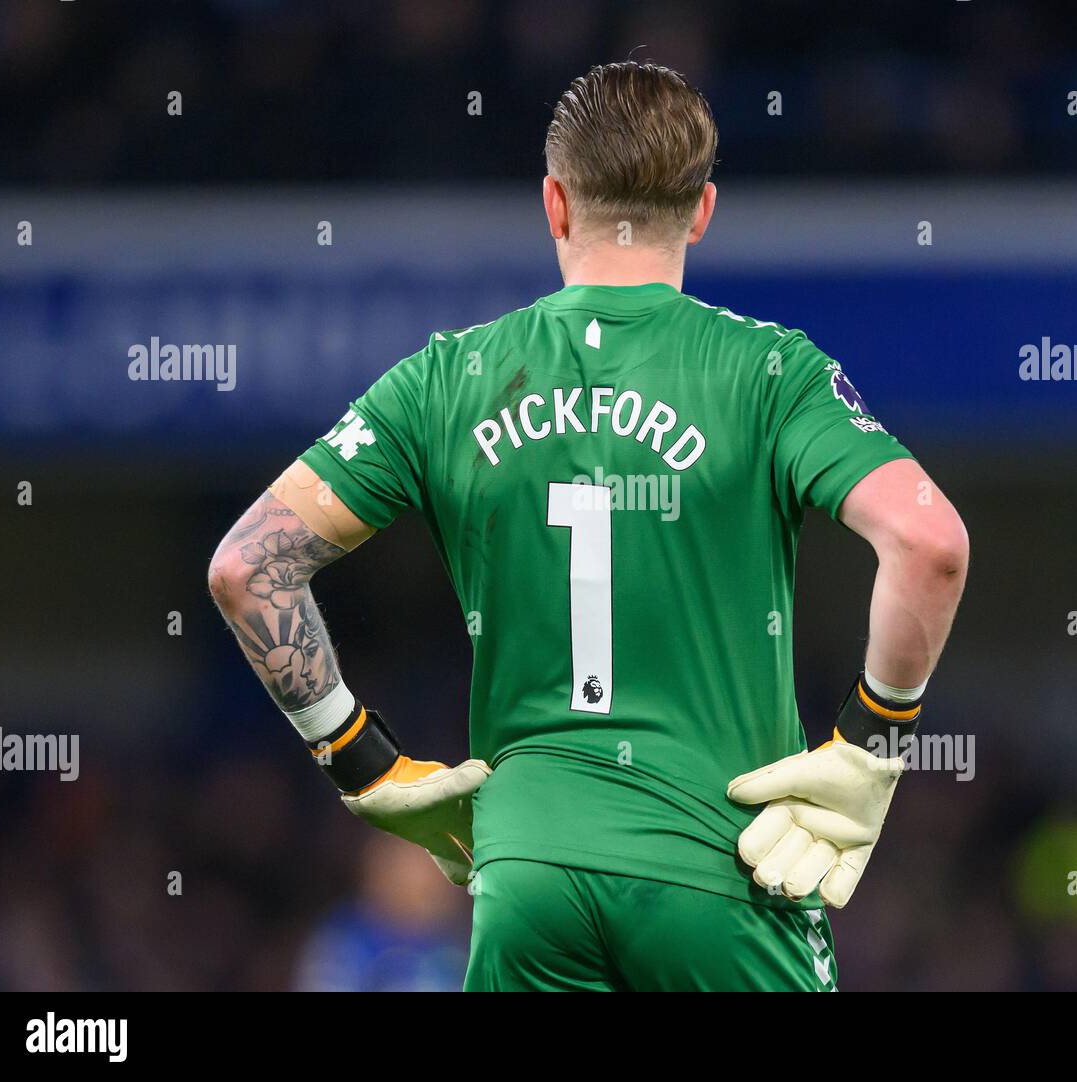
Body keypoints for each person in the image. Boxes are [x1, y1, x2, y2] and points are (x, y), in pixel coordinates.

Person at [208, 61, 969, 992]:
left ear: (555, 204)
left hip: (526, 873)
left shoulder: (446, 379)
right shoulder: (771, 373)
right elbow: (932, 544)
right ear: (702, 211)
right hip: (725, 867)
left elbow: (248, 568)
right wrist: (870, 741)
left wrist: (362, 762)